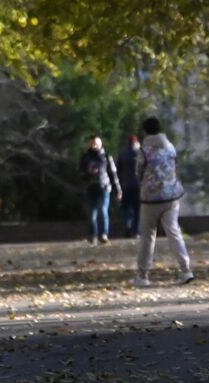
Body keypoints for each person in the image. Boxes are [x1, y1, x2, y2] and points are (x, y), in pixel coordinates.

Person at [131, 117, 194, 287]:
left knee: (148, 236)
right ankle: (185, 269)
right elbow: (176, 167)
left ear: (145, 131)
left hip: (150, 199)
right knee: (174, 232)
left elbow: (138, 172)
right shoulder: (170, 147)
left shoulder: (144, 150)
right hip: (171, 196)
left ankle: (143, 275)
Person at [79, 136, 121, 245]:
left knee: (103, 210)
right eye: (92, 143)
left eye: (96, 143)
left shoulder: (106, 157)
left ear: (100, 144)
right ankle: (92, 235)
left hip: (104, 187)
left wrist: (117, 189)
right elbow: (80, 174)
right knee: (92, 213)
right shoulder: (85, 158)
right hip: (90, 187)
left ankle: (104, 234)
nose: (94, 145)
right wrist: (88, 173)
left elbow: (113, 174)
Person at [115, 135, 142, 238]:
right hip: (138, 186)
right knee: (137, 209)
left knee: (126, 208)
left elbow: (118, 170)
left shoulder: (123, 154)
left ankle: (127, 225)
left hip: (126, 185)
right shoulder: (140, 154)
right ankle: (135, 231)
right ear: (136, 143)